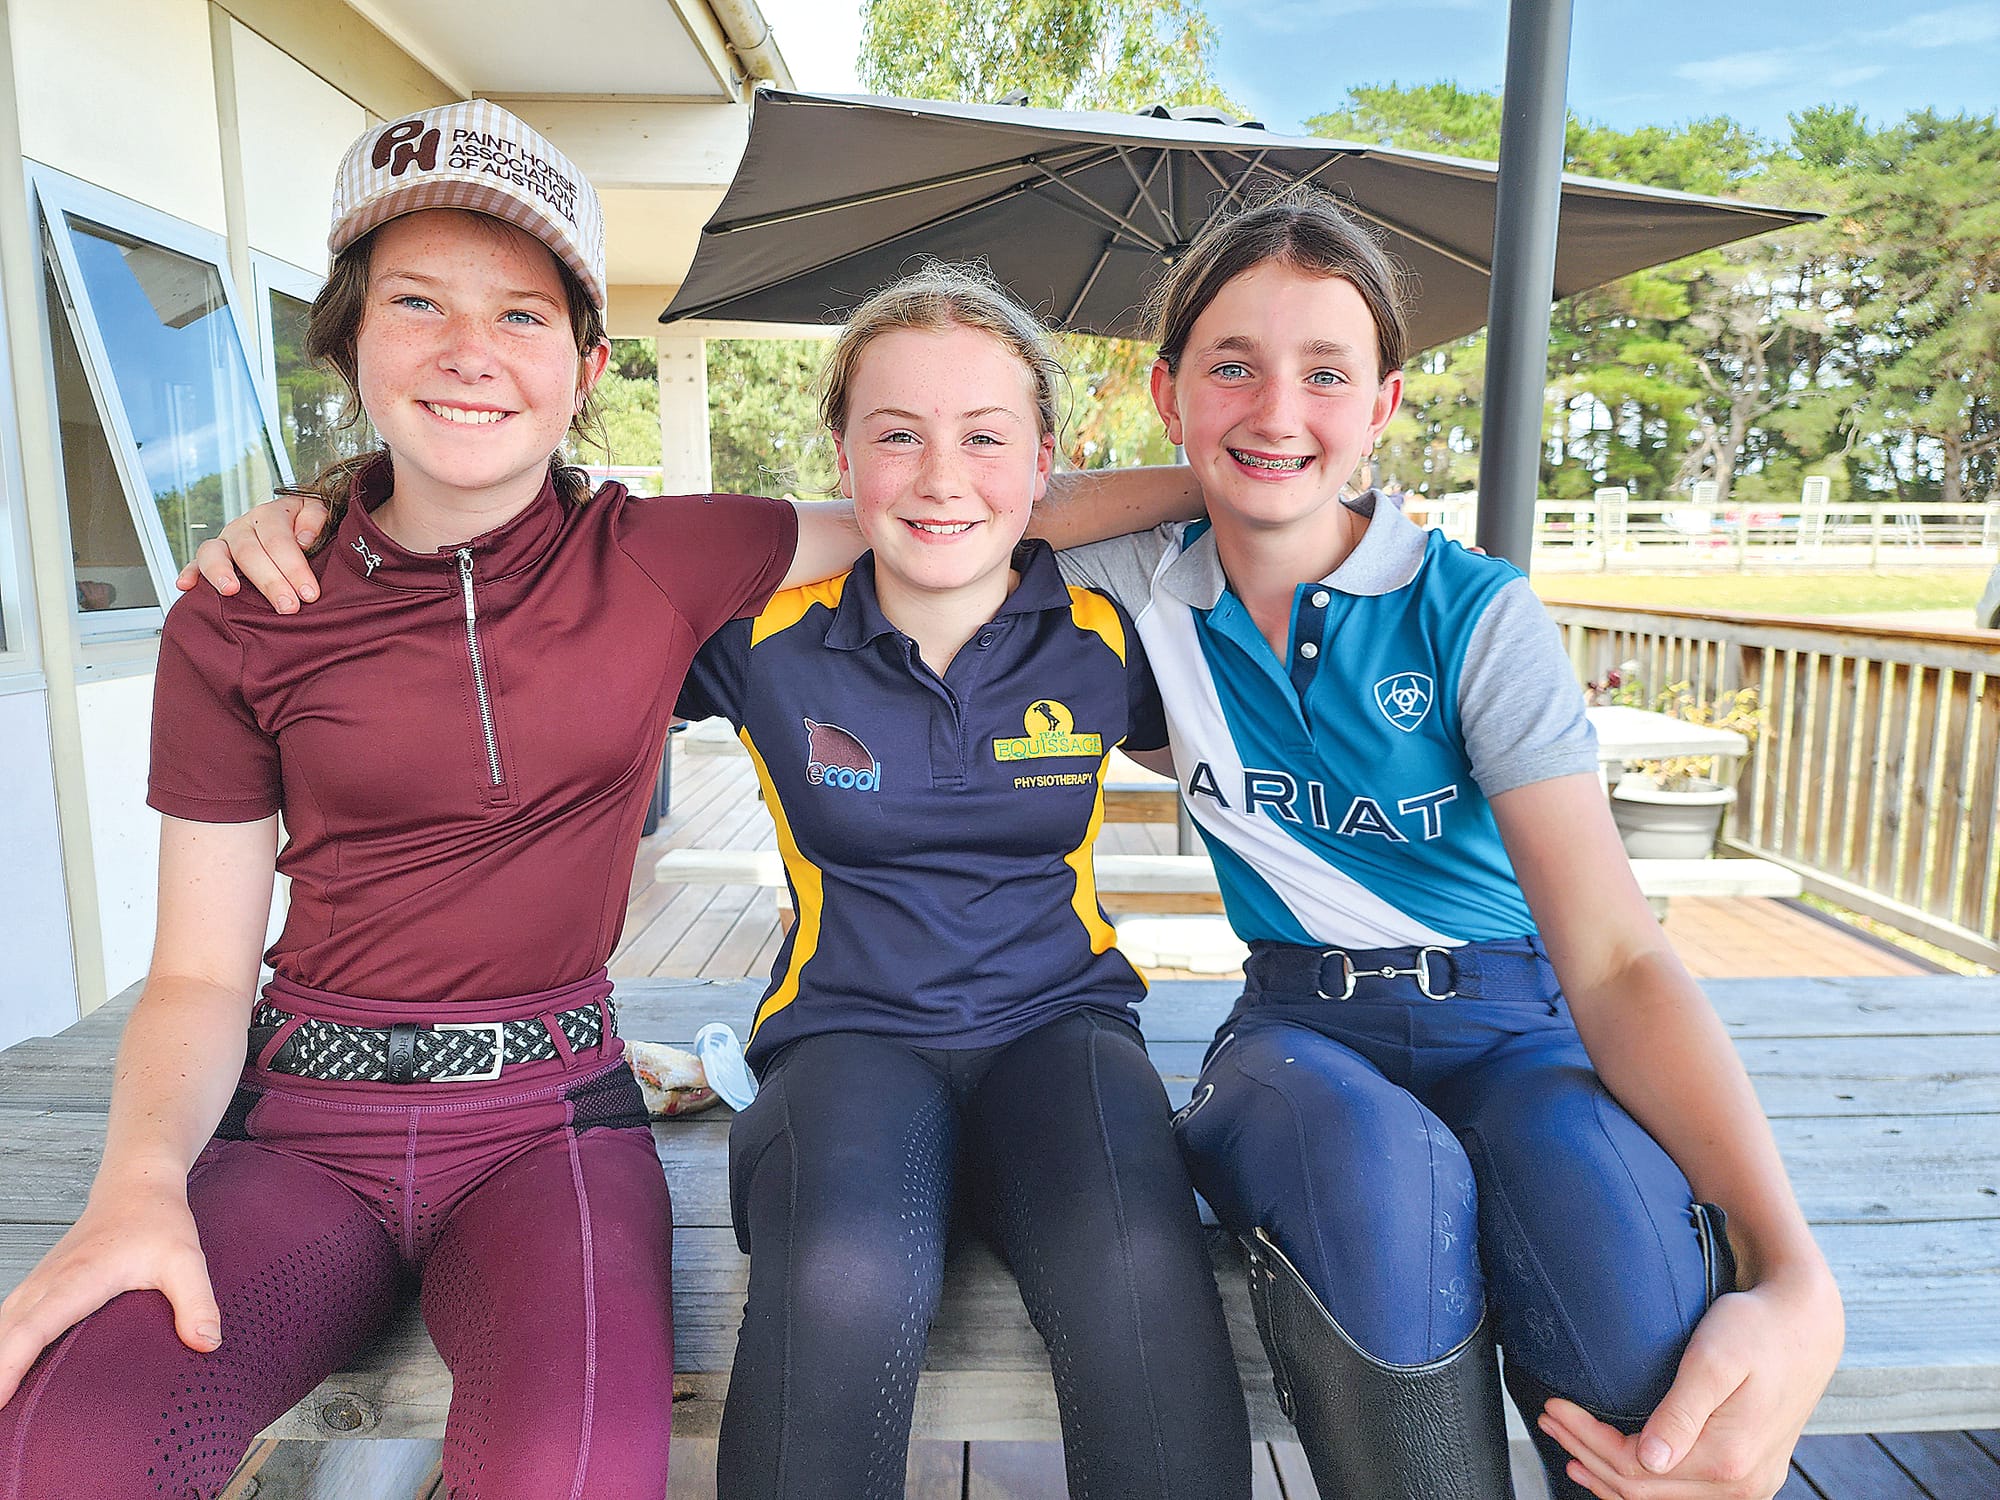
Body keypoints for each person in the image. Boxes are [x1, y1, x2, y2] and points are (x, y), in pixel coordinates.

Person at [0, 102, 1195, 1500]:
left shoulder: (668, 557)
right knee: (67, 1445)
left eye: (520, 315)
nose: (468, 351)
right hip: (299, 1113)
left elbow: (965, 513)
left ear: (585, 364)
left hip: (547, 1112)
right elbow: (199, 969)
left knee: (574, 1469)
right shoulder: (246, 611)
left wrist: (1257, 468)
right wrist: (137, 1186)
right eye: (417, 304)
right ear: (348, 337)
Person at [1054, 191, 1845, 1500]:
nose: (1276, 407)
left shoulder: (1475, 615)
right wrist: (1220, 467)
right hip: (1299, 1033)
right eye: (1230, 367)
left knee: (1612, 1245)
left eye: (1326, 374)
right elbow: (966, 502)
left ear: (1385, 406)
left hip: (1518, 1025)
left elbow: (1613, 957)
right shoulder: (1141, 583)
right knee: (1379, 1176)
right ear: (1166, 391)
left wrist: (1793, 1269)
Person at [678, 263, 1250, 1500]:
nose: (941, 476)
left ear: (1049, 458)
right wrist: (322, 517)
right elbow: (537, 580)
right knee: (840, 1280)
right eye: (897, 435)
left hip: (1060, 1027)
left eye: (985, 438)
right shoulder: (757, 634)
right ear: (839, 451)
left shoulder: (1106, 631)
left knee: (1139, 1275)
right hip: (845, 1035)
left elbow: (1272, 520)